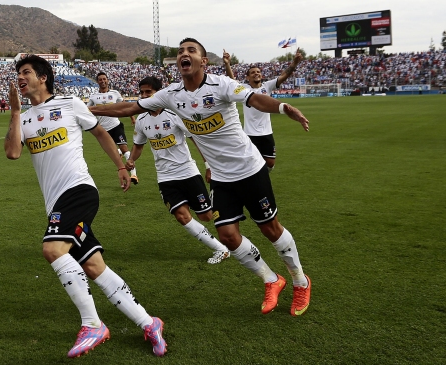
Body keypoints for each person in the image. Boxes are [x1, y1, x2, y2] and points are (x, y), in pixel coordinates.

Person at [89, 38, 312, 316]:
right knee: (228, 236)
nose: (184, 54)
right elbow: (130, 108)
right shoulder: (171, 94)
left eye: (190, 50)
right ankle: (271, 279)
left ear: (203, 61)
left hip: (249, 169)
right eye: (181, 51)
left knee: (270, 229)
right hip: (221, 178)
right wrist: (89, 110)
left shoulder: (223, 85)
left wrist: (283, 107)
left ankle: (300, 281)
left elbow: (255, 98)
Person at [4, 55, 166, 358]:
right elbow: (13, 153)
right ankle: (149, 321)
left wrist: (121, 166)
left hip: (78, 190)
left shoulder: (70, 103)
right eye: (18, 74)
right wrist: (15, 112)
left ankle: (93, 324)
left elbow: (101, 133)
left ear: (43, 77)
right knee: (93, 266)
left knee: (53, 249)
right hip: (55, 202)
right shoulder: (24, 118)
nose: (20, 77)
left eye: (26, 72)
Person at [127, 76, 230, 264]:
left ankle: (223, 203)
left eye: (148, 92)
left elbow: (196, 139)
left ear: (158, 93)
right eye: (141, 92)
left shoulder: (175, 114)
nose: (144, 96)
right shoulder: (141, 120)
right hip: (165, 177)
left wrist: (209, 166)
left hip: (187, 172)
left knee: (206, 216)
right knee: (182, 216)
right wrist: (132, 159)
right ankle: (220, 249)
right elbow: (139, 145)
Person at [226, 48, 303, 172]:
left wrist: (294, 63)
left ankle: (260, 180)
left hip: (267, 133)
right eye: (253, 72)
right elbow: (231, 80)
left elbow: (284, 75)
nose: (256, 73)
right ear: (247, 77)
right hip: (250, 134)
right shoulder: (243, 88)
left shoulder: (267, 86)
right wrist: (227, 64)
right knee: (251, 164)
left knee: (270, 164)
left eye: (258, 71)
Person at [87, 72, 139, 184]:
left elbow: (125, 106)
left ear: (107, 80)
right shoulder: (94, 97)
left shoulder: (115, 93)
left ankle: (134, 175)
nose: (102, 81)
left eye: (104, 79)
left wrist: (132, 118)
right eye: (100, 79)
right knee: (111, 151)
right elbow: (87, 111)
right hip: (103, 131)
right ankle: (118, 151)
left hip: (116, 126)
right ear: (97, 82)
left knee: (125, 149)